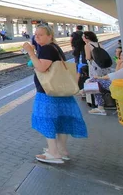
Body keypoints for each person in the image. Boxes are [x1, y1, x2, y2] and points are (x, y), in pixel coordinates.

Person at [22, 25, 87, 164]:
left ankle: (53, 153)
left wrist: (30, 52)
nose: (36, 37)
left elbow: (41, 67)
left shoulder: (46, 48)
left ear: (50, 36)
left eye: (40, 34)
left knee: (47, 120)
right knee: (61, 120)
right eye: (36, 34)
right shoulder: (55, 48)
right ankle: (62, 150)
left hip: (48, 92)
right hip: (61, 91)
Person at [87, 51, 123, 116]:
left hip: (119, 86)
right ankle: (100, 107)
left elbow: (115, 75)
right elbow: (116, 74)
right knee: (94, 84)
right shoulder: (122, 63)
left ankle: (100, 107)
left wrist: (99, 77)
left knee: (93, 82)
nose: (121, 57)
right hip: (118, 84)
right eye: (120, 55)